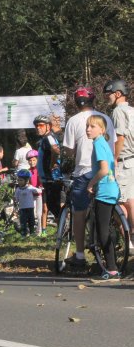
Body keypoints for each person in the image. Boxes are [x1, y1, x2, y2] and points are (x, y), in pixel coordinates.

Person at [62, 86, 115, 268]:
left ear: (76, 102)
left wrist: (75, 151)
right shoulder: (105, 118)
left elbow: (69, 150)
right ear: (93, 100)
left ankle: (79, 255)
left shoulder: (74, 121)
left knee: (79, 211)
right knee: (108, 210)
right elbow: (113, 145)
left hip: (84, 171)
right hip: (107, 171)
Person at [86, 114, 121, 280]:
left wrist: (91, 184)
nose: (88, 129)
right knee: (107, 227)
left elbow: (104, 169)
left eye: (92, 126)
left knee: (103, 231)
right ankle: (112, 264)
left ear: (101, 129)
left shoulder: (99, 143)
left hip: (105, 191)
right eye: (87, 126)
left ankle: (112, 268)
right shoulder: (105, 144)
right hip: (113, 188)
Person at [104, 79, 134, 251]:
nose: (107, 97)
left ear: (118, 93)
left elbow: (120, 137)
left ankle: (129, 241)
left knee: (120, 201)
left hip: (123, 160)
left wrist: (114, 158)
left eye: (109, 94)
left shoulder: (118, 111)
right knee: (131, 199)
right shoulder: (132, 110)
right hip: (133, 159)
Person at [34, 115, 63, 224]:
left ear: (48, 126)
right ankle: (63, 230)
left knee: (54, 205)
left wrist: (52, 164)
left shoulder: (48, 137)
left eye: (41, 125)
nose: (38, 127)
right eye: (36, 125)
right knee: (53, 206)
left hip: (53, 178)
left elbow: (56, 150)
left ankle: (66, 230)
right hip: (47, 179)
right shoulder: (44, 140)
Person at [14, 169, 40, 237]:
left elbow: (38, 191)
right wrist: (15, 205)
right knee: (23, 222)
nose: (19, 182)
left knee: (31, 221)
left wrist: (40, 189)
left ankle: (32, 232)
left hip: (30, 208)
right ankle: (24, 234)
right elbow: (16, 198)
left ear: (27, 180)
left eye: (21, 180)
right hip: (22, 209)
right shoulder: (18, 190)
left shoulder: (30, 188)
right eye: (18, 180)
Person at [26, 149, 44, 235]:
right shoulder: (28, 171)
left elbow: (41, 182)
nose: (32, 162)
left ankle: (39, 230)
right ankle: (31, 229)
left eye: (34, 160)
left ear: (37, 160)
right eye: (30, 160)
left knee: (39, 213)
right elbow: (28, 182)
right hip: (31, 194)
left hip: (39, 194)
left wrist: (41, 187)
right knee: (31, 212)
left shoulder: (39, 170)